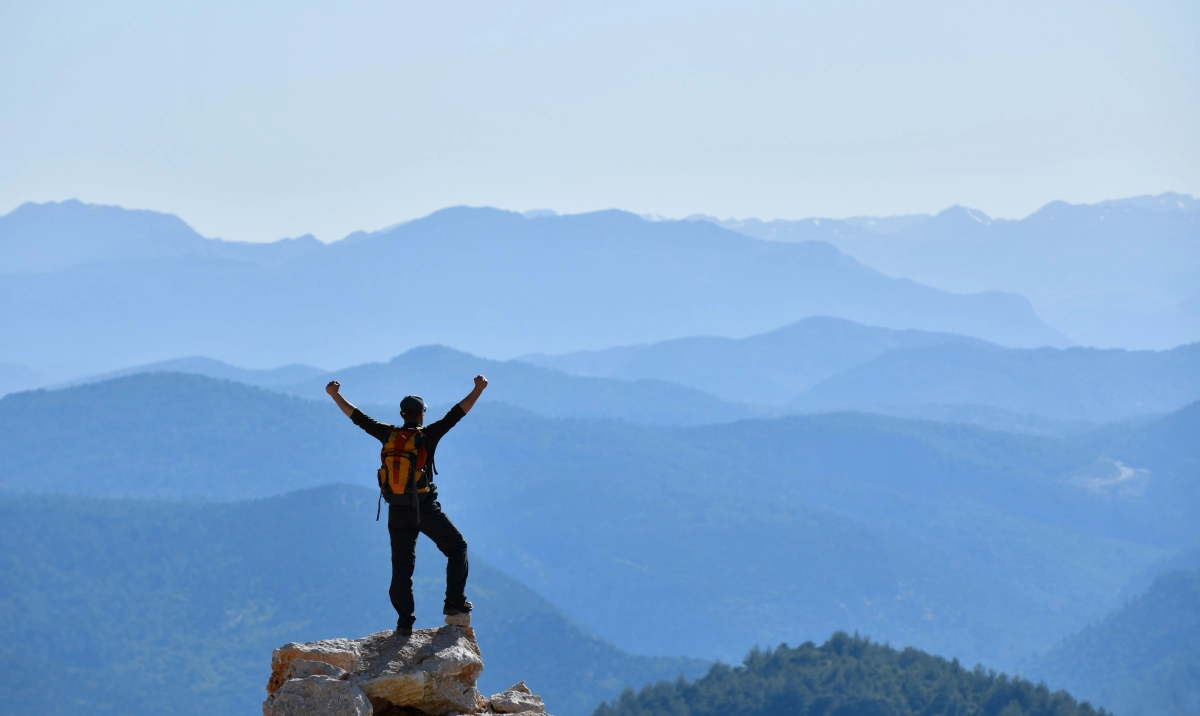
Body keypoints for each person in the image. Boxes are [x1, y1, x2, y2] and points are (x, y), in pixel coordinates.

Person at [325, 375, 489, 636]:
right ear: (422, 415)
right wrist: (478, 389)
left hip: (396, 510)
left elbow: (357, 416)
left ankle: (404, 623)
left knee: (402, 567)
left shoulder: (387, 434)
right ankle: (454, 604)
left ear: (402, 414)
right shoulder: (428, 435)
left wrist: (334, 394)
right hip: (424, 507)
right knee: (457, 547)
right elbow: (457, 412)